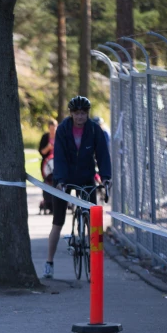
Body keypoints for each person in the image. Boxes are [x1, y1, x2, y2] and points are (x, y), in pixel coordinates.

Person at [43, 95, 111, 279]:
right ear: (71, 114)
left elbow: (103, 155)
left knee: (93, 219)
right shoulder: (63, 129)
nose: (80, 117)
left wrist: (105, 178)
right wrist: (60, 180)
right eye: (77, 113)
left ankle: (94, 261)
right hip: (65, 178)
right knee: (58, 222)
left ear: (87, 114)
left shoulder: (94, 130)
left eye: (83, 113)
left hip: (86, 177)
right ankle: (49, 261)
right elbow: (60, 157)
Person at [38, 118, 57, 214]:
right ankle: (47, 202)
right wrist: (49, 147)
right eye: (51, 128)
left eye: (55, 128)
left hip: (57, 164)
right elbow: (41, 151)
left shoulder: (59, 137)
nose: (53, 130)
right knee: (47, 182)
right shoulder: (45, 137)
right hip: (47, 165)